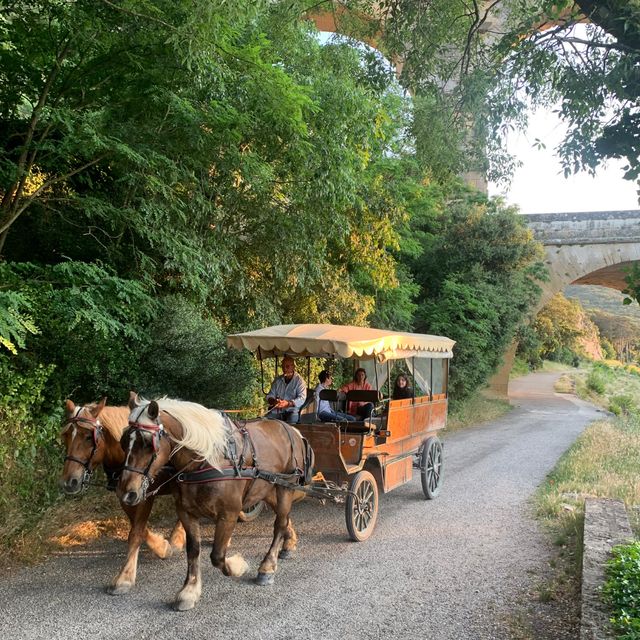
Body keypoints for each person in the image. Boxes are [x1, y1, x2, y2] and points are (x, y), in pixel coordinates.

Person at [266, 355, 306, 424]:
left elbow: (302, 398)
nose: (284, 369)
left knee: (290, 426)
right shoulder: (277, 381)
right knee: (265, 422)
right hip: (277, 411)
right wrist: (274, 401)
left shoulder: (299, 381)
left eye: (287, 367)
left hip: (292, 411)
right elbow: (270, 396)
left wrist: (288, 404)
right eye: (283, 367)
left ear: (293, 367)